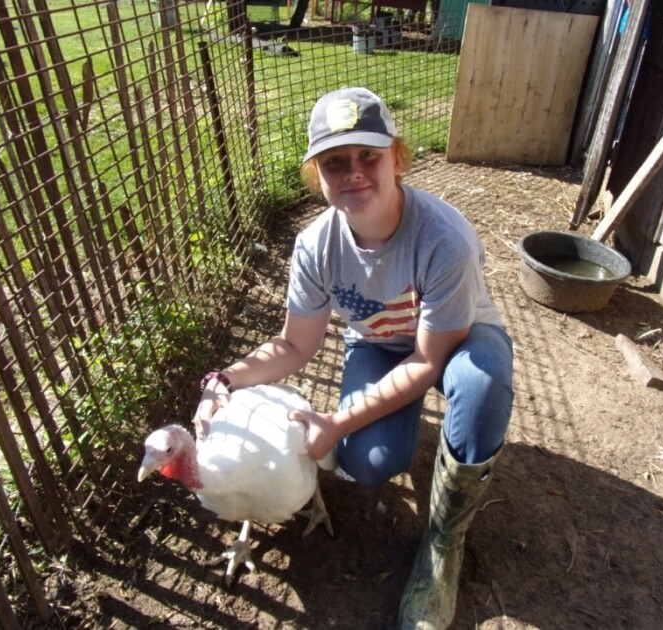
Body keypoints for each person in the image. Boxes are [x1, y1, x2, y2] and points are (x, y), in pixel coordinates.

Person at [195, 86, 514, 629]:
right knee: (368, 465)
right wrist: (223, 379)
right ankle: (408, 441)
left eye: (369, 155)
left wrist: (339, 419)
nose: (353, 172)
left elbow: (427, 361)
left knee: (481, 386)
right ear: (316, 174)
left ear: (397, 157)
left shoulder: (444, 239)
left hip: (456, 342)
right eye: (334, 161)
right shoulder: (316, 246)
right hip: (377, 344)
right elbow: (295, 345)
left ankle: (443, 546)